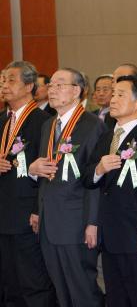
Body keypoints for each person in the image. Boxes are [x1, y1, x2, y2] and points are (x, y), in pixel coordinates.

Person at [83, 75, 137, 307]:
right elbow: (88, 178)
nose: (113, 99)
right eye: (113, 94)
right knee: (116, 299)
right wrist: (99, 169)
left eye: (120, 94)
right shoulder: (106, 137)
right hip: (111, 235)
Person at [28, 68, 105, 307]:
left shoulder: (92, 125)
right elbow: (46, 172)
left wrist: (92, 222)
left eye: (59, 85)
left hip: (76, 221)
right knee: (61, 291)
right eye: (50, 85)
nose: (51, 89)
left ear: (76, 91)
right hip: (50, 220)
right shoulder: (49, 125)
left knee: (82, 290)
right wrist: (33, 171)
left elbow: (95, 178)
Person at [0, 61, 56, 307]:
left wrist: (37, 209)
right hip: (3, 212)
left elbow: (46, 170)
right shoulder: (2, 119)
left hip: (27, 213)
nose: (4, 85)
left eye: (11, 80)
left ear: (29, 85)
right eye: (2, 80)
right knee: (8, 283)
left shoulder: (43, 121)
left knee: (33, 282)